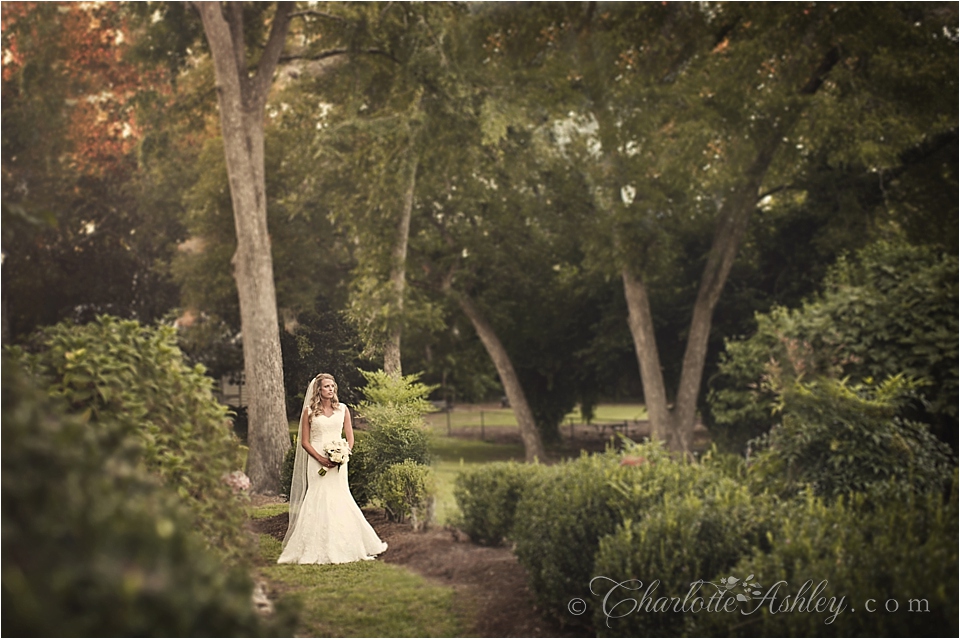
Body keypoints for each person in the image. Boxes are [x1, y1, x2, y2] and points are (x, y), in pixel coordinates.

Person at [278, 373, 388, 564]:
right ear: (318, 390)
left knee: (340, 497)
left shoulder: (343, 409)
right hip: (316, 459)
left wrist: (344, 454)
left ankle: (346, 544)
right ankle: (314, 546)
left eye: (332, 386)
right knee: (318, 497)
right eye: (327, 386)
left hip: (339, 462)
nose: (331, 389)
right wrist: (320, 458)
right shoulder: (309, 412)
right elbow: (304, 442)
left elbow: (350, 436)